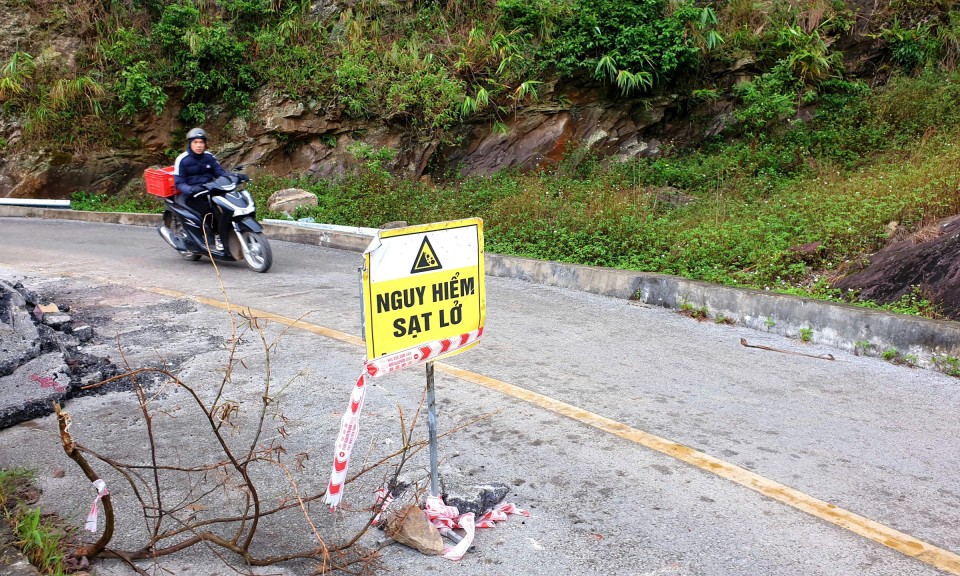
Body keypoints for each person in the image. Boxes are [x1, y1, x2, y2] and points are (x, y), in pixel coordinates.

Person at [172, 128, 247, 249]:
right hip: (191, 195)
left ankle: (223, 235)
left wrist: (237, 176)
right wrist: (191, 189)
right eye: (195, 142)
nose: (199, 145)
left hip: (209, 190)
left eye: (201, 142)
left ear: (205, 144)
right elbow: (179, 183)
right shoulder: (182, 159)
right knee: (208, 211)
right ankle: (209, 238)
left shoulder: (209, 157)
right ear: (190, 143)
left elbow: (220, 173)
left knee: (226, 208)